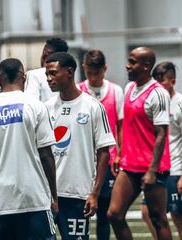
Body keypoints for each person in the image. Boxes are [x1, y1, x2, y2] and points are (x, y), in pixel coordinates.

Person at [0, 58, 58, 240]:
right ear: (24, 78)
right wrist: (54, 196)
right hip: (35, 200)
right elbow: (46, 155)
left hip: (0, 203)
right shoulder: (36, 107)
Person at [45, 52, 116, 240]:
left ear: (69, 72)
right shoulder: (45, 108)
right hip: (46, 196)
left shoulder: (93, 107)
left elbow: (104, 153)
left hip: (77, 195)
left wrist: (94, 193)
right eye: (47, 74)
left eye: (53, 73)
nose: (48, 79)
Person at [107, 47, 173, 240]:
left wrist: (152, 171)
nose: (127, 66)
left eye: (132, 62)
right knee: (114, 214)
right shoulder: (129, 88)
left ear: (146, 66)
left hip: (153, 167)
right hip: (130, 166)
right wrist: (120, 154)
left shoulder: (158, 94)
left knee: (157, 218)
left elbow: (161, 134)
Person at [141, 61, 182, 240]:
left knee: (178, 217)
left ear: (172, 82)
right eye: (154, 81)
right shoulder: (157, 103)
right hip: (159, 168)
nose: (157, 85)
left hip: (176, 170)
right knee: (147, 212)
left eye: (161, 81)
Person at [78, 49, 124, 240]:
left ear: (105, 69)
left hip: (109, 160)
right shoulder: (78, 90)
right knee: (81, 211)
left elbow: (120, 126)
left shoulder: (116, 91)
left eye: (97, 73)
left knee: (106, 212)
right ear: (84, 69)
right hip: (84, 161)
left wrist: (120, 153)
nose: (94, 78)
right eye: (89, 73)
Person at [25, 37, 69, 102]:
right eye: (43, 56)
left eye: (46, 56)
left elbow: (31, 104)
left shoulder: (34, 75)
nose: (43, 60)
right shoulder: (68, 75)